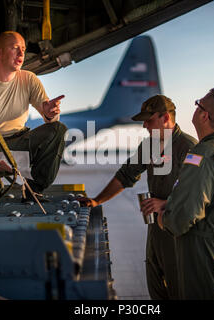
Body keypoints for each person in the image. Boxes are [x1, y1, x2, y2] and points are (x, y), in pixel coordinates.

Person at [80, 95, 197, 299]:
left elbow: (199, 191)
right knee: (156, 287)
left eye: (149, 120)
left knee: (180, 289)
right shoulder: (149, 145)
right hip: (156, 231)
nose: (144, 126)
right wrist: (97, 200)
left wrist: (167, 203)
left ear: (165, 117)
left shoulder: (189, 147)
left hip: (179, 233)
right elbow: (126, 175)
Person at [158, 87, 214, 299]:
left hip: (208, 265)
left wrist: (164, 218)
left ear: (204, 115)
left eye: (198, 103)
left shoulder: (203, 154)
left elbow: (182, 218)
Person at [0, 31, 67, 199]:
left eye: (23, 49)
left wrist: (49, 114)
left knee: (58, 129)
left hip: (20, 141)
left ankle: (34, 189)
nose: (21, 54)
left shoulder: (29, 79)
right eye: (15, 48)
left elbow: (50, 119)